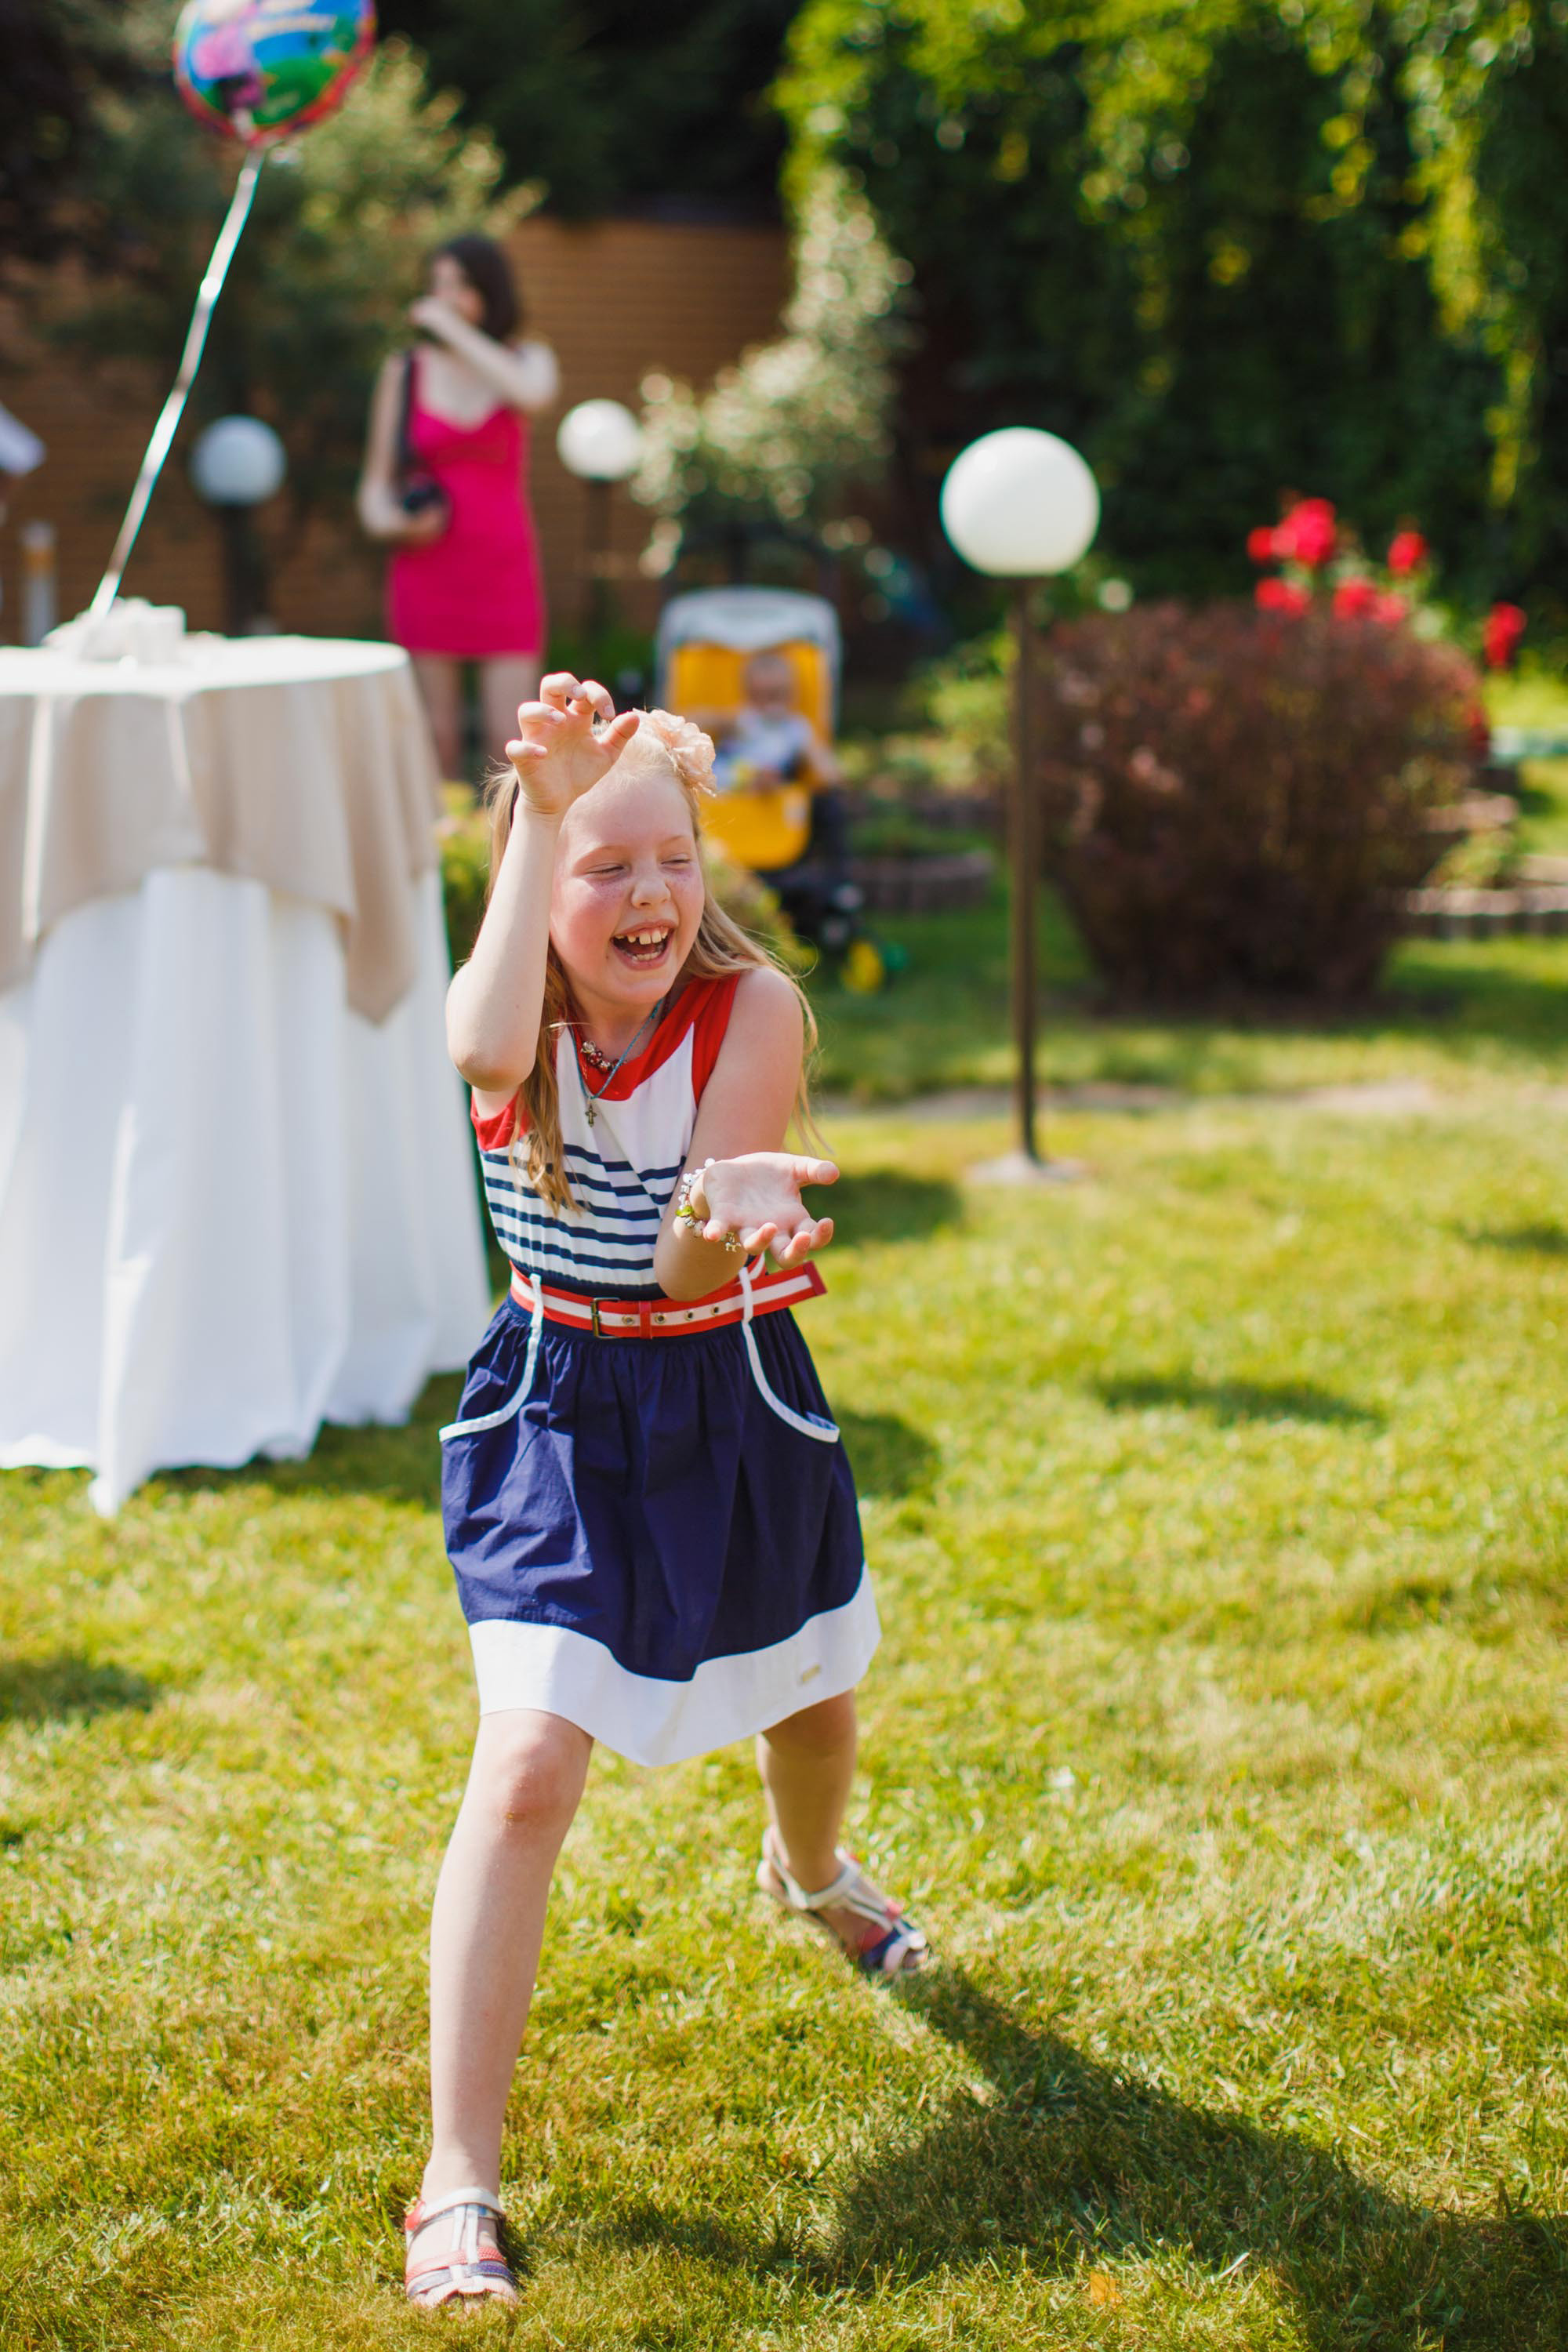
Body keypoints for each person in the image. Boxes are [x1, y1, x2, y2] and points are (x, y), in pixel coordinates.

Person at [405, 673, 927, 2310]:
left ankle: (810, 1873)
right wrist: (544, 801)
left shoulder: (754, 1009)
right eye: (599, 863)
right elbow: (475, 1043)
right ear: (538, 873)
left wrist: (735, 1204)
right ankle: (455, 2179)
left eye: (671, 861)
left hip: (729, 1397)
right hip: (559, 1414)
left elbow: (676, 1256)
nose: (647, 896)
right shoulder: (523, 1022)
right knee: (524, 1771)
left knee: (815, 1702)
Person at [358, 235, 558, 777]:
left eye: (461, 285)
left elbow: (531, 396)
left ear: (490, 291)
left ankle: (512, 857)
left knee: (514, 740)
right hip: (427, 571)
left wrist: (450, 327)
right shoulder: (405, 372)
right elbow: (374, 489)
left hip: (504, 569)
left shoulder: (526, 359)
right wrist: (397, 523)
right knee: (434, 739)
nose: (446, 296)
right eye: (439, 284)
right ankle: (442, 855)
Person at [706, 648, 843, 796]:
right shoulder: (741, 718)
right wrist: (723, 720)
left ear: (792, 693)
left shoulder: (795, 727)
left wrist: (828, 775)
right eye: (762, 696)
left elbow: (826, 770)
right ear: (749, 694)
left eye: (778, 695)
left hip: (772, 791)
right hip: (724, 788)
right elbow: (693, 720)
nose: (771, 704)